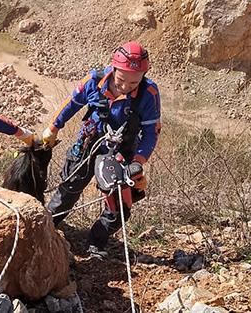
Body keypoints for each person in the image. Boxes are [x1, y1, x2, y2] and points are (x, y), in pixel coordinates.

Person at [39, 42, 162, 258]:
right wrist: (53, 127)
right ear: (113, 69)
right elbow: (71, 104)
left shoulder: (148, 93)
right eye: (121, 80)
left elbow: (151, 132)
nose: (126, 86)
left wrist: (138, 162)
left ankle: (96, 242)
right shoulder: (95, 81)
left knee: (119, 206)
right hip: (89, 143)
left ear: (144, 75)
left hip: (121, 151)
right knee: (69, 190)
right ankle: (44, 231)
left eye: (134, 81)